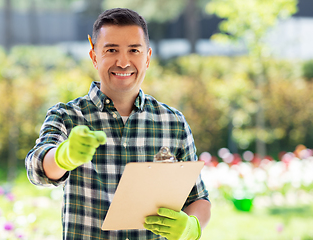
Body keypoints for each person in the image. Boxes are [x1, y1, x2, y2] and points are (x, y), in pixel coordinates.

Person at [25, 8, 211, 240]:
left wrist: (191, 227)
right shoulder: (67, 116)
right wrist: (66, 156)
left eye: (134, 50)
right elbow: (37, 169)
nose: (123, 62)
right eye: (111, 50)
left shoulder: (173, 122)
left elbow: (199, 199)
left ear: (148, 57)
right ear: (94, 56)